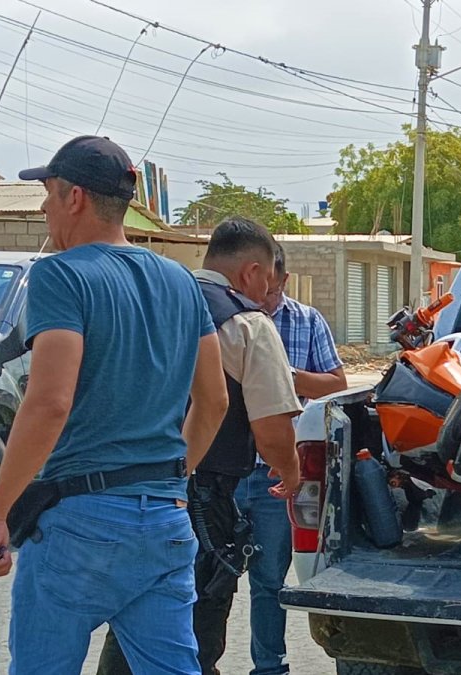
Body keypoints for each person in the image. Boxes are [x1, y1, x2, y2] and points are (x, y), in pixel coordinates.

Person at [0, 135, 229, 674]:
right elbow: (214, 401)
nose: (42, 207)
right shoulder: (181, 282)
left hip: (79, 524)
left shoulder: (60, 275)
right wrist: (170, 480)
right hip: (165, 518)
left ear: (76, 197)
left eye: (47, 192)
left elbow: (48, 402)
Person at [100, 218, 304, 675]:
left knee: (134, 623)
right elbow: (272, 431)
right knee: (192, 635)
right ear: (252, 273)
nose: (269, 291)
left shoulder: (148, 303)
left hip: (124, 489)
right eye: (269, 279)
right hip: (200, 500)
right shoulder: (249, 324)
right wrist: (290, 473)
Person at [235, 244, 345, 675]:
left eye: (273, 287)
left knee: (268, 579)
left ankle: (269, 666)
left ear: (281, 278)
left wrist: (283, 374)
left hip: (278, 473)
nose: (265, 295)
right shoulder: (225, 319)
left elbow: (335, 383)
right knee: (209, 581)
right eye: (259, 286)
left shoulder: (306, 321)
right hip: (226, 469)